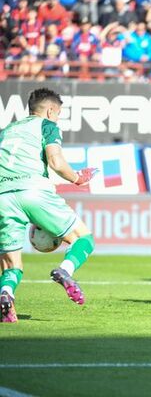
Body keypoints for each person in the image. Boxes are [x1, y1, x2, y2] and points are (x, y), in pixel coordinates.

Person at [0, 88, 98, 323]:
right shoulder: (46, 126)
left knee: (11, 264)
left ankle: (6, 295)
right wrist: (77, 178)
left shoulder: (6, 131)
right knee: (84, 238)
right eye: (59, 113)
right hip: (33, 190)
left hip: (3, 196)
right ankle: (65, 269)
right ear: (51, 110)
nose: (58, 118)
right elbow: (55, 160)